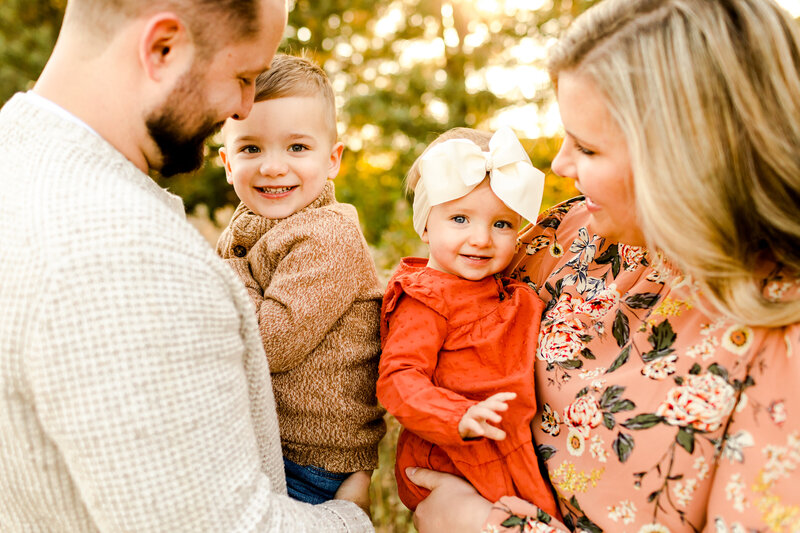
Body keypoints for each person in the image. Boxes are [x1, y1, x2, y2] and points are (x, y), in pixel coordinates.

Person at [406, 0, 800, 532]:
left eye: (588, 149)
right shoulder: (566, 234)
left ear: (687, 157)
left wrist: (482, 525)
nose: (560, 164)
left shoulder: (782, 342)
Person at [0, 1, 374, 531]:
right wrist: (350, 518)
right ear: (163, 49)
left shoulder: (13, 163)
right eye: (244, 77)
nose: (244, 106)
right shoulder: (133, 258)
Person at [216, 53, 386, 505]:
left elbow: (268, 344)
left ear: (332, 160)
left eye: (297, 147)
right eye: (251, 148)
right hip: (270, 440)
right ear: (227, 162)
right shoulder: (252, 227)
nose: (273, 166)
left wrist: (222, 268)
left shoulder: (329, 235)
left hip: (313, 458)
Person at [377, 126, 561, 520]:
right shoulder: (426, 298)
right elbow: (399, 377)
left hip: (499, 445)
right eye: (460, 219)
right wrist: (456, 416)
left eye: (502, 224)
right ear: (425, 225)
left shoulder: (502, 289)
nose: (481, 238)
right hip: (453, 451)